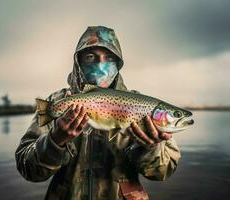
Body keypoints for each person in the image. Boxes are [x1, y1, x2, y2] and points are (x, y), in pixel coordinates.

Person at [15, 26, 181, 200]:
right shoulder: (57, 102)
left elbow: (163, 172)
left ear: (118, 64)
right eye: (90, 57)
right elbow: (28, 169)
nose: (100, 64)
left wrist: (151, 148)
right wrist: (55, 140)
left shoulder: (142, 105)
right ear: (78, 61)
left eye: (108, 57)